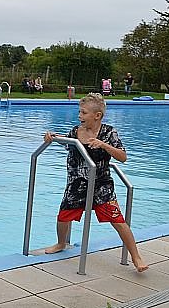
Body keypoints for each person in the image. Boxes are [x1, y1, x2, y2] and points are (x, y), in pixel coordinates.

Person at [38, 92, 148, 272]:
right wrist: (52, 137)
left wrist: (103, 145)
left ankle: (136, 256)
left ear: (97, 116)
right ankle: (61, 243)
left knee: (118, 220)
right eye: (79, 112)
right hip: (76, 183)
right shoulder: (75, 131)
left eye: (83, 113)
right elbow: (67, 144)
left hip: (101, 185)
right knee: (63, 217)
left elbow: (123, 157)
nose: (79, 116)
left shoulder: (109, 132)